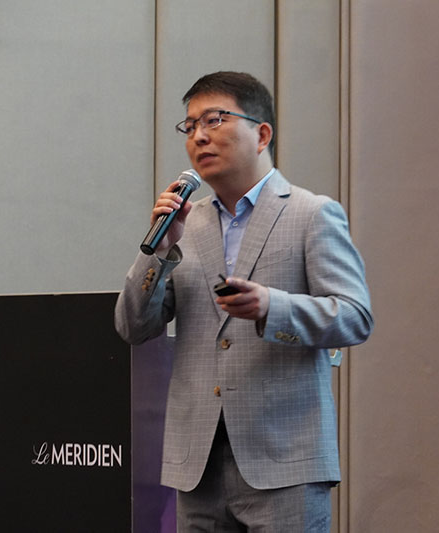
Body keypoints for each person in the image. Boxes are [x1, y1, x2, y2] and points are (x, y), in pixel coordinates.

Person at [115, 71, 373, 532]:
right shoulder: (184, 225)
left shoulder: (311, 214)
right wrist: (158, 251)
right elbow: (132, 326)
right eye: (190, 126)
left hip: (284, 464)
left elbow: (354, 317)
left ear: (262, 134)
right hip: (197, 468)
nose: (199, 136)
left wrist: (272, 307)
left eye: (214, 120)